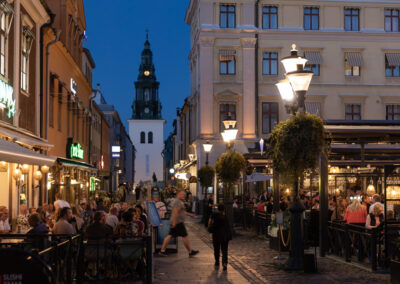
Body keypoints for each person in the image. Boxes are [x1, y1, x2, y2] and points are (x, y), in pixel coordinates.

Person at [158, 190, 199, 257]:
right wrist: (174, 222)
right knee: (184, 236)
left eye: (184, 194)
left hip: (177, 222)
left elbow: (182, 212)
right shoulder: (177, 202)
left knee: (170, 236)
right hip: (178, 222)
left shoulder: (179, 201)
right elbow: (175, 212)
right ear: (178, 194)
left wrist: (190, 215)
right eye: (182, 194)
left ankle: (162, 251)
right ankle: (190, 252)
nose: (184, 195)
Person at [208, 204, 232, 271]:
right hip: (224, 235)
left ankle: (217, 262)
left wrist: (210, 228)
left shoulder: (214, 215)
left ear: (218, 209)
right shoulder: (225, 216)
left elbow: (209, 222)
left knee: (216, 249)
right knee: (224, 250)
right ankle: (224, 263)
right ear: (224, 209)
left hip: (216, 235)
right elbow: (228, 226)